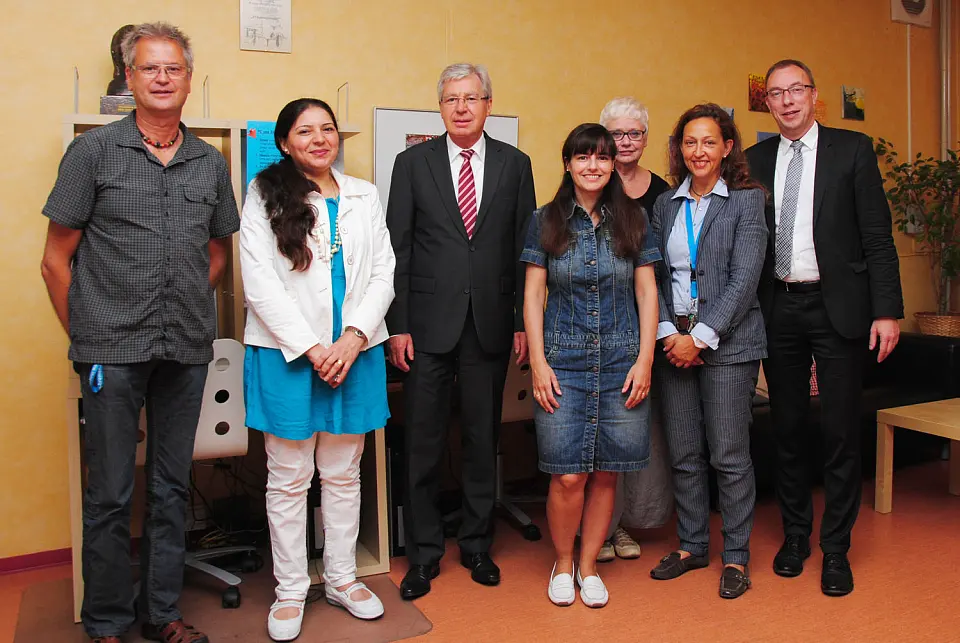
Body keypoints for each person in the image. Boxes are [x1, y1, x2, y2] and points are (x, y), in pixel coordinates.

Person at [40, 22, 239, 643]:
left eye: (172, 69)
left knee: (172, 488)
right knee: (109, 494)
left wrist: (183, 299)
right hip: (110, 354)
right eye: (149, 68)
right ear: (130, 78)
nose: (161, 78)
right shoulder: (92, 154)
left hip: (183, 347)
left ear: (187, 79)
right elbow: (54, 260)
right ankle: (105, 623)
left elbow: (217, 253)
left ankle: (162, 615)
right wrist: (87, 336)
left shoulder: (210, 162)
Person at [746, 60, 903, 597]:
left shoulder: (852, 151)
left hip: (840, 307)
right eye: (776, 93)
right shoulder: (754, 160)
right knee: (788, 429)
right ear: (766, 102)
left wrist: (887, 311)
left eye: (796, 90)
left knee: (839, 432)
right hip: (778, 308)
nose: (787, 100)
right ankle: (796, 537)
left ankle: (837, 548)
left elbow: (877, 237)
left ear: (814, 96)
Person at [239, 98, 395, 640]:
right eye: (305, 131)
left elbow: (383, 272)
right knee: (288, 478)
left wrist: (351, 339)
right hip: (288, 353)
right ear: (284, 141)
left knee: (343, 473)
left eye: (327, 128)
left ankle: (343, 578)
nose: (319, 138)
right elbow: (258, 282)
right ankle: (289, 589)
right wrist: (311, 348)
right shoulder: (263, 194)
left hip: (354, 352)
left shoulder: (363, 195)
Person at [385, 63, 537, 600]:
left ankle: (476, 545)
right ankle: (422, 556)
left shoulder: (516, 165)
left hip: (491, 324)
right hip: (425, 326)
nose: (461, 107)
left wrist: (522, 321)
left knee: (481, 439)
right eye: (451, 99)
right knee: (422, 443)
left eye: (471, 98)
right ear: (440, 107)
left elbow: (527, 250)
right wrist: (396, 325)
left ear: (488, 104)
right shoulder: (412, 163)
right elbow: (397, 248)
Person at [523, 123, 660, 607]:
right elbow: (534, 294)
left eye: (602, 157)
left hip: (623, 361)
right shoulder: (544, 219)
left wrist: (645, 360)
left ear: (612, 165)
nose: (593, 166)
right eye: (583, 157)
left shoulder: (636, 219)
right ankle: (563, 562)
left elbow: (646, 291)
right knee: (567, 474)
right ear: (567, 164)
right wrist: (538, 362)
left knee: (607, 472)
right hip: (563, 363)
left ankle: (588, 566)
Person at [648, 103, 767, 599]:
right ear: (680, 149)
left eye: (709, 142)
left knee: (730, 455)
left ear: (727, 148)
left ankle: (735, 556)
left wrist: (701, 337)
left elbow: (744, 279)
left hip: (730, 346)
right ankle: (693, 544)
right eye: (690, 142)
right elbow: (652, 274)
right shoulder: (665, 206)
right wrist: (666, 334)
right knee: (684, 453)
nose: (699, 151)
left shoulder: (745, 201)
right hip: (672, 343)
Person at [595, 96, 674, 562]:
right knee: (598, 431)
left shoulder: (662, 192)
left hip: (645, 320)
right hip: (592, 323)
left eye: (635, 133)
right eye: (617, 134)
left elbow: (665, 262)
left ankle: (624, 525)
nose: (626, 142)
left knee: (636, 428)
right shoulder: (587, 179)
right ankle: (597, 528)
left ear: (646, 138)